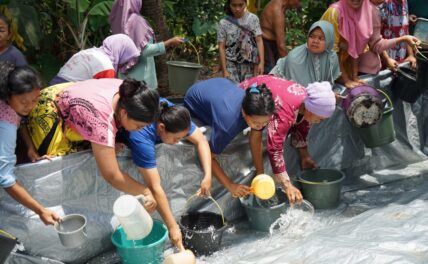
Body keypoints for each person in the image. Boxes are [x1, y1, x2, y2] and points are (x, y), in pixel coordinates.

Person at [26, 78, 161, 216]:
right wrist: (145, 191)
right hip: (48, 111)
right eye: (139, 126)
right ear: (124, 113)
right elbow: (112, 175)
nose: (140, 130)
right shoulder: (100, 122)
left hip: (67, 93)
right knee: (71, 159)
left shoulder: (130, 92)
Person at [119, 100, 212, 250]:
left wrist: (207, 176)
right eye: (176, 139)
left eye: (182, 138)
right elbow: (155, 187)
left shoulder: (171, 112)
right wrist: (172, 226)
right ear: (161, 127)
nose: (178, 143)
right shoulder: (140, 138)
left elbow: (201, 140)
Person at [240, 76, 337, 203]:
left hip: (268, 91)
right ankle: (260, 173)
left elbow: (302, 126)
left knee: (258, 127)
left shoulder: (307, 102)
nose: (319, 122)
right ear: (311, 109)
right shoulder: (285, 110)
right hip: (250, 97)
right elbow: (274, 148)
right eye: (320, 118)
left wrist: (304, 156)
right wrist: (286, 184)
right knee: (257, 129)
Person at [184, 78, 275, 197]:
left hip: (219, 84)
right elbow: (208, 155)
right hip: (193, 98)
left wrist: (260, 174)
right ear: (243, 112)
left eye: (265, 123)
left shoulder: (256, 103)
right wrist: (230, 185)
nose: (260, 126)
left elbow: (256, 137)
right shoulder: (228, 125)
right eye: (256, 123)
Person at [0, 62, 58, 225]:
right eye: (24, 102)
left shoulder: (8, 106)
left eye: (34, 100)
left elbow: (22, 119)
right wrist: (40, 210)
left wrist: (30, 148)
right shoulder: (6, 124)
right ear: (8, 94)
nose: (30, 107)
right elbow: (5, 178)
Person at [321, 0, 419, 87]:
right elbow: (330, 52)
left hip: (346, 70)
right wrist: (346, 80)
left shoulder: (365, 10)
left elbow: (357, 47)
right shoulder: (334, 12)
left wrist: (354, 77)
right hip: (326, 69)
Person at [109, 0, 184, 89]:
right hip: (140, 80)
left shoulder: (116, 22)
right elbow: (144, 51)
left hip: (123, 79)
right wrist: (170, 42)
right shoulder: (137, 21)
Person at [270, 20, 341, 86]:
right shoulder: (295, 58)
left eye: (321, 38)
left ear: (329, 41)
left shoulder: (331, 57)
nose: (315, 41)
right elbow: (295, 91)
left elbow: (328, 84)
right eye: (312, 37)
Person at [49, 34, 139, 85]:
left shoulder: (89, 51)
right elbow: (105, 95)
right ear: (121, 53)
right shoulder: (106, 67)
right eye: (125, 61)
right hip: (63, 95)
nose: (124, 65)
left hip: (51, 87)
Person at [218, 0, 265, 83]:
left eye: (240, 5)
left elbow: (259, 40)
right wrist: (224, 70)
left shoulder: (253, 19)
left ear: (246, 3)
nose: (237, 9)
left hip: (250, 64)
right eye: (234, 5)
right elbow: (221, 47)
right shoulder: (223, 23)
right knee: (232, 91)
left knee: (248, 90)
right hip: (231, 63)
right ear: (229, 5)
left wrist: (261, 62)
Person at [260, 0, 301, 73]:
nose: (298, 3)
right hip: (267, 46)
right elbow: (281, 46)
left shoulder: (278, 4)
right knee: (272, 75)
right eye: (299, 0)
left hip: (269, 44)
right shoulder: (277, 10)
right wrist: (290, 66)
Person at [379, 0, 417, 71]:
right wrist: (387, 59)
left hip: (400, 63)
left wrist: (410, 55)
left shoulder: (404, 2)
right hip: (383, 65)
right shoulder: (383, 3)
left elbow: (406, 31)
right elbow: (376, 38)